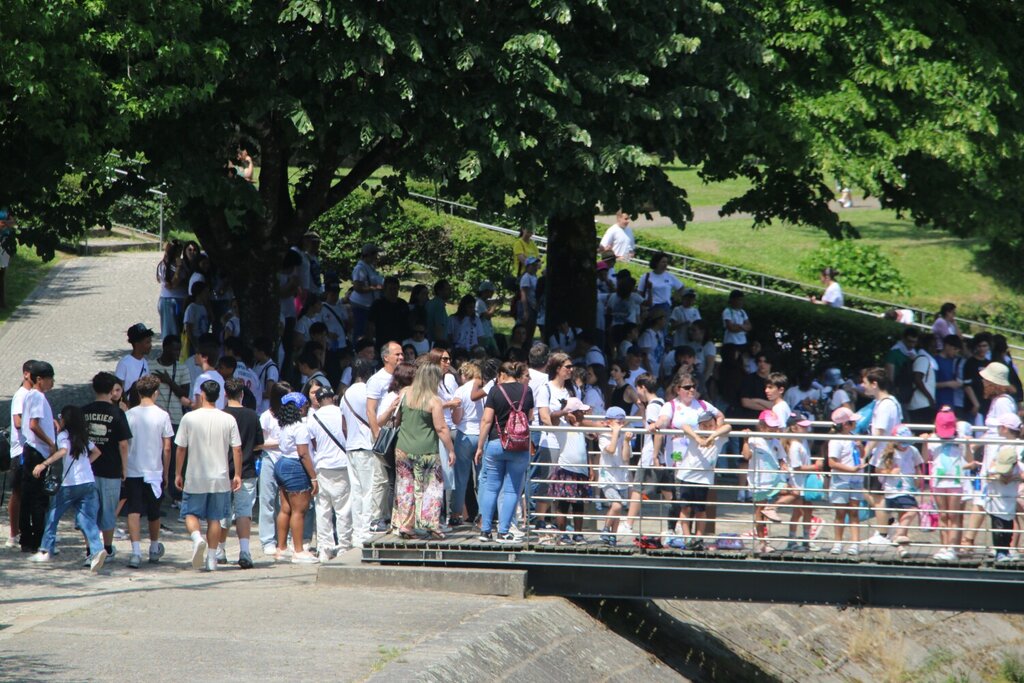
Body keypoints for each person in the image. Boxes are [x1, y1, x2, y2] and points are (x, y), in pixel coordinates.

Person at [28, 405, 107, 571]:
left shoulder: (63, 436)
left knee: (53, 515)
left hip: (70, 484)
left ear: (65, 420)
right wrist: (85, 465)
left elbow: (63, 451)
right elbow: (98, 452)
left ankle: (45, 549)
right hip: (88, 482)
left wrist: (43, 464)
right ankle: (97, 550)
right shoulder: (83, 436)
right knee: (87, 520)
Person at [174, 379, 243, 571]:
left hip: (195, 475)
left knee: (190, 513)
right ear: (219, 396)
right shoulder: (228, 419)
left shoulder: (189, 418)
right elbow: (237, 449)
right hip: (220, 476)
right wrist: (237, 474)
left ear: (202, 395)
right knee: (215, 518)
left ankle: (197, 538)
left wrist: (178, 472)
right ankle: (212, 558)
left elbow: (181, 448)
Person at [394, 362, 455, 538]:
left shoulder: (404, 393)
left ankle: (405, 526)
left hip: (403, 449)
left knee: (405, 488)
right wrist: (451, 450)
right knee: (431, 488)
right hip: (427, 451)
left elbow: (397, 419)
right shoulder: (434, 401)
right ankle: (430, 524)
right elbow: (441, 428)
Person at [475, 361, 534, 543]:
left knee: (491, 487)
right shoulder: (527, 391)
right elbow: (530, 417)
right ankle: (503, 532)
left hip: (496, 443)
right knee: (511, 490)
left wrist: (480, 446)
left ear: (501, 374)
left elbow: (486, 420)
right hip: (519, 445)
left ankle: (485, 531)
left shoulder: (495, 390)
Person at [123, 375, 173, 569]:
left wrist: (123, 468)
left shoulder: (129, 415)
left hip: (133, 469)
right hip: (154, 471)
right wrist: (166, 472)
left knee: (133, 510)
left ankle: (135, 552)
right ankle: (153, 547)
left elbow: (123, 444)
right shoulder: (163, 415)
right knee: (154, 511)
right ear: (156, 393)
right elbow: (167, 447)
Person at [83, 371, 133, 559]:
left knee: (89, 512)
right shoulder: (117, 413)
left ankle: (90, 549)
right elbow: (123, 444)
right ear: (111, 389)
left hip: (87, 469)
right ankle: (108, 547)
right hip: (111, 469)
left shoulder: (84, 411)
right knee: (108, 511)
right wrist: (125, 468)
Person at [218, 378, 263, 569]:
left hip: (222, 470)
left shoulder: (220, 415)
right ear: (242, 394)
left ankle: (220, 550)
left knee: (222, 512)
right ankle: (244, 551)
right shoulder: (252, 415)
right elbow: (259, 444)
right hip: (246, 469)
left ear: (225, 394)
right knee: (244, 511)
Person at [742, 410, 800, 554]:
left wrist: (783, 465)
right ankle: (762, 542)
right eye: (770, 427)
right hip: (759, 481)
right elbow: (746, 456)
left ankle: (772, 507)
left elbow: (781, 458)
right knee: (759, 513)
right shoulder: (754, 439)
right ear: (761, 426)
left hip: (775, 479)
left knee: (794, 492)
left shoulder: (776, 441)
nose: (773, 429)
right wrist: (745, 440)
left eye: (775, 427)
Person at [338, 359, 383, 544]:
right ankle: (365, 531)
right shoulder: (368, 392)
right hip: (366, 446)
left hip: (351, 447)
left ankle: (357, 532)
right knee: (368, 490)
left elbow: (344, 426)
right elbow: (375, 417)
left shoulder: (345, 394)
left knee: (356, 491)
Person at [271, 392, 319, 563]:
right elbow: (303, 454)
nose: (306, 407)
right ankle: (298, 551)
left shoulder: (284, 426)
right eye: (305, 404)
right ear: (299, 407)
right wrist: (313, 477)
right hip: (294, 467)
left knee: (285, 509)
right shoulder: (300, 427)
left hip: (281, 464)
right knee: (299, 510)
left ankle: (281, 548)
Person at [307, 387, 352, 563]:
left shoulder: (313, 418)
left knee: (323, 509)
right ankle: (344, 546)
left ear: (317, 401)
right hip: (342, 464)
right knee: (343, 509)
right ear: (333, 398)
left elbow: (313, 445)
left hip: (322, 467)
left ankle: (325, 549)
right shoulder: (341, 413)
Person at [19, 361, 57, 554]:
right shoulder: (37, 397)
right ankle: (36, 539)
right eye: (50, 379)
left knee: (29, 496)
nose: (52, 382)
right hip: (37, 451)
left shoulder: (32, 396)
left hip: (33, 450)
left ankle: (28, 538)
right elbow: (33, 425)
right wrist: (50, 442)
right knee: (37, 498)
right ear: (40, 379)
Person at [922, 408, 967, 562]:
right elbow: (925, 458)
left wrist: (967, 444)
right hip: (938, 481)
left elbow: (969, 458)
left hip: (955, 481)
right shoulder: (933, 439)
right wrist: (925, 443)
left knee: (953, 515)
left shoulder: (960, 439)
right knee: (942, 515)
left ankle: (953, 548)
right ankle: (944, 546)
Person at [877, 426, 924, 558]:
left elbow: (917, 466)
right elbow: (878, 470)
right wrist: (890, 472)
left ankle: (901, 548)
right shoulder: (888, 453)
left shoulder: (913, 450)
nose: (905, 445)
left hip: (908, 488)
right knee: (912, 510)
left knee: (903, 517)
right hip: (893, 489)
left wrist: (919, 478)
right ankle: (898, 534)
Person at [827, 407, 866, 556]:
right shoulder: (836, 440)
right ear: (845, 424)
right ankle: (838, 543)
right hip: (842, 480)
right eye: (853, 422)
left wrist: (860, 446)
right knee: (840, 513)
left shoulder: (853, 436)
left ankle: (855, 543)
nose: (855, 424)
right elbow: (832, 463)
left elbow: (862, 455)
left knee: (854, 512)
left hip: (855, 479)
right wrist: (851, 469)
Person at [452, 361, 487, 527]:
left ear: (464, 375)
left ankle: (456, 514)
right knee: (483, 478)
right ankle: (483, 516)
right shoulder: (485, 389)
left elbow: (456, 419)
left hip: (465, 434)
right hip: (482, 435)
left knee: (461, 478)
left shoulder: (460, 391)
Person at [6, 360, 35, 549]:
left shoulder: (32, 395)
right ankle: (13, 533)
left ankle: (26, 530)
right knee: (17, 491)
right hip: (21, 450)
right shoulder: (21, 395)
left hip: (29, 449)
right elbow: (18, 422)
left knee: (28, 491)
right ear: (26, 374)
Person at [596, 406, 631, 546]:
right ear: (609, 422)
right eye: (618, 422)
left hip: (621, 477)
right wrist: (615, 433)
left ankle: (613, 535)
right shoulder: (603, 436)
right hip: (608, 477)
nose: (621, 425)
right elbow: (610, 450)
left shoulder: (623, 435)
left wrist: (626, 441)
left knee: (618, 509)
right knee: (616, 505)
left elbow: (626, 457)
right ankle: (605, 529)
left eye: (622, 422)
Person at [987, 446, 1022, 563]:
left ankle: (1006, 551)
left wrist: (1016, 477)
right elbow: (987, 475)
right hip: (996, 506)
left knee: (1008, 530)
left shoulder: (1018, 468)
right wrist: (999, 477)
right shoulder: (994, 469)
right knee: (998, 530)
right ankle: (1000, 552)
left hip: (1009, 506)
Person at [350, 243, 384, 339]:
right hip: (360, 305)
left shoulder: (370, 267)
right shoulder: (360, 268)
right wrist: (376, 287)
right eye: (375, 254)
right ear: (368, 255)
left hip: (369, 306)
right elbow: (357, 287)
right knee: (360, 332)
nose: (376, 257)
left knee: (369, 332)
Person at [156, 241, 188, 337]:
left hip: (183, 299)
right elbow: (171, 285)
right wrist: (178, 268)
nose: (179, 253)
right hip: (169, 300)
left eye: (180, 251)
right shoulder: (164, 265)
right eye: (177, 251)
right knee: (171, 333)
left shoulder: (183, 263)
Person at [116, 323, 155, 403]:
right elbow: (117, 387)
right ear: (137, 344)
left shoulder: (145, 363)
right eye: (147, 342)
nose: (150, 345)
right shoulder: (124, 363)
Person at [368, 276, 410, 346]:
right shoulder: (377, 304)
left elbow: (407, 322)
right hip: (382, 341)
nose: (393, 292)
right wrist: (370, 342)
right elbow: (371, 325)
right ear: (385, 289)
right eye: (390, 289)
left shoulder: (403, 304)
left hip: (400, 341)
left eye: (395, 289)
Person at [182, 280, 211, 357]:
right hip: (194, 340)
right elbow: (188, 328)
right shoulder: (192, 308)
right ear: (199, 293)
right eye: (205, 292)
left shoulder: (203, 307)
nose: (207, 295)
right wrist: (195, 345)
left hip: (203, 339)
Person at [475, 282, 499, 355]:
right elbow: (488, 316)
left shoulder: (481, 302)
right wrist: (495, 305)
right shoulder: (480, 302)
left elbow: (482, 315)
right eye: (491, 291)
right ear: (485, 292)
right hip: (484, 333)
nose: (492, 293)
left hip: (487, 332)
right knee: (494, 353)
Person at [425, 279, 452, 344]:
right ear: (439, 291)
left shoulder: (429, 303)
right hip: (436, 344)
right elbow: (438, 328)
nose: (450, 291)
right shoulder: (439, 306)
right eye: (447, 289)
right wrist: (441, 345)